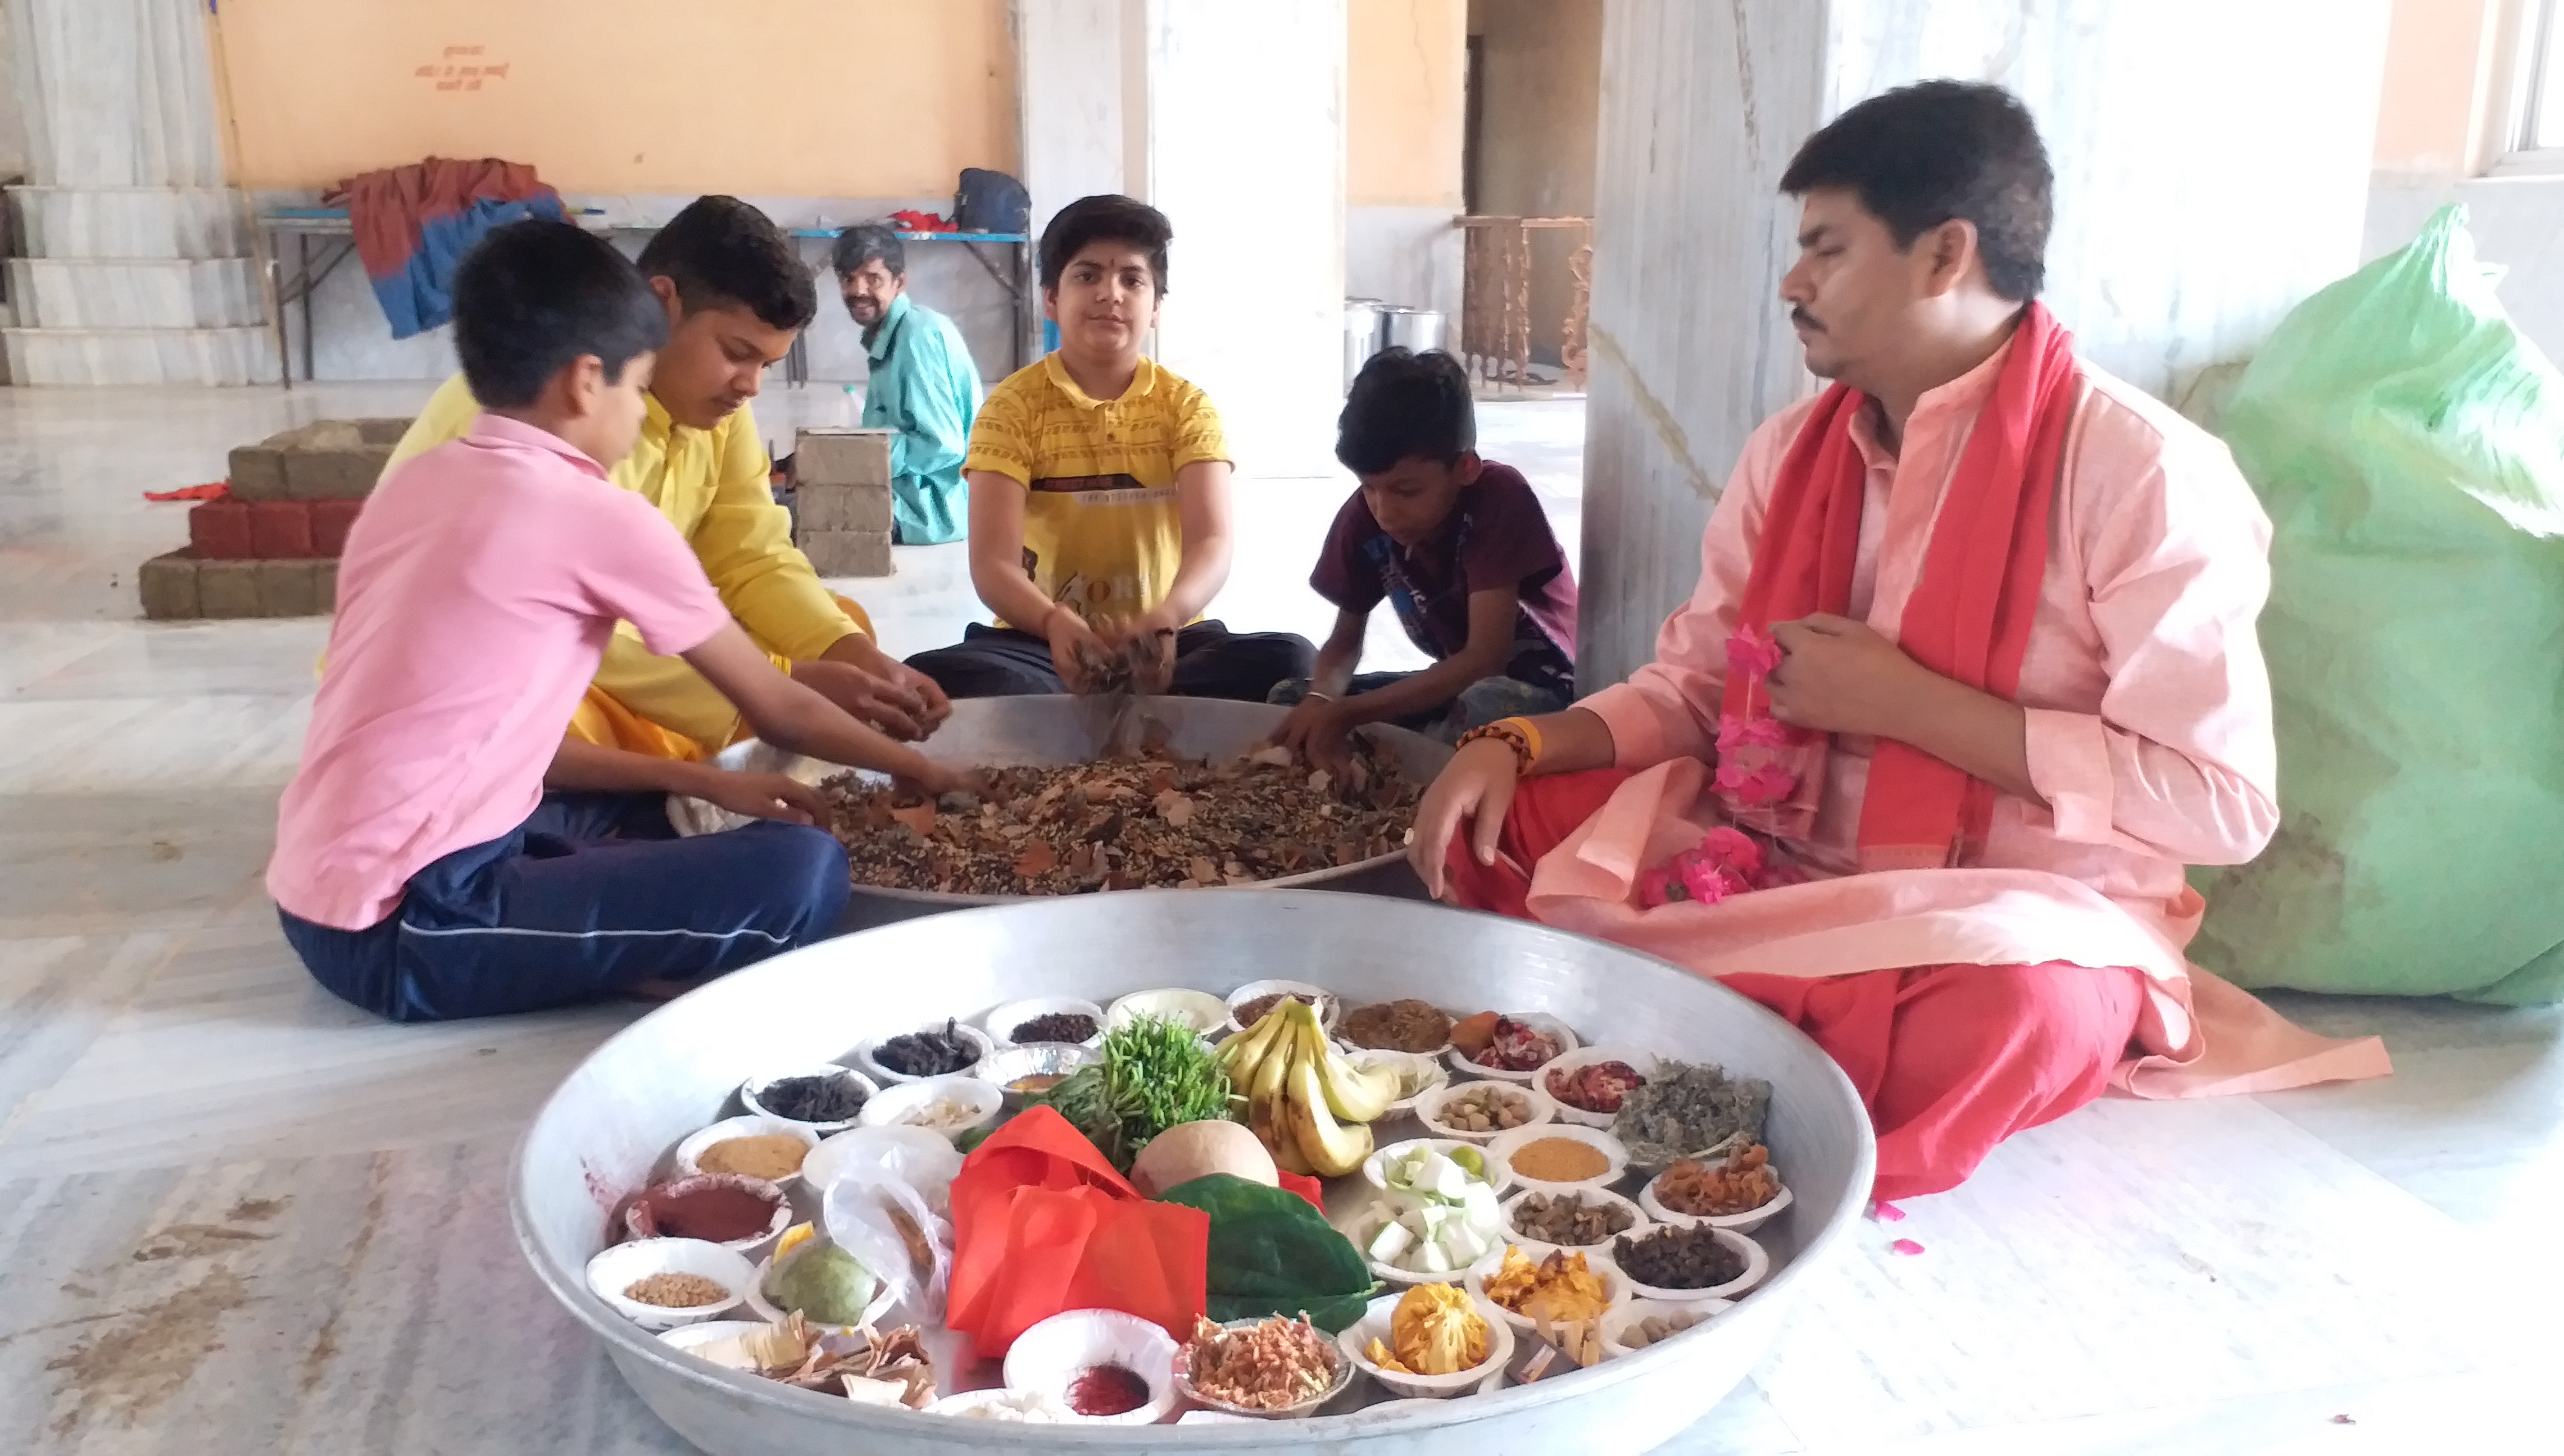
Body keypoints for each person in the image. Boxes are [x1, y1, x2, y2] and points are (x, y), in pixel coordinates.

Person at [1408, 81, 2387, 1202]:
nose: (1793, 283)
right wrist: (1519, 746)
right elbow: (1690, 691)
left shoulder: (2139, 473)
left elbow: (2224, 806)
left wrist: (1918, 708)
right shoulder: (1791, 455)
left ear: (1944, 256)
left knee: (2024, 1016)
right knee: (1493, 826)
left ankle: (1693, 1032)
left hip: (1993, 918)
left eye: (1826, 249)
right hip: (1769, 851)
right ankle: (1759, 1031)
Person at [270, 220, 965, 1024]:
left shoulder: (417, 486)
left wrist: (698, 776)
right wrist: (932, 775)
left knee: (665, 810)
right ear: (585, 381)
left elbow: (520, 743)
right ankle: (598, 961)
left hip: (326, 886)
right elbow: (778, 709)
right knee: (801, 875)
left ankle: (599, 912)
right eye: (635, 389)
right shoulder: (593, 509)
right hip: (411, 922)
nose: (642, 414)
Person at [383, 195, 948, 763]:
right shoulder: (541, 410)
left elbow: (751, 557)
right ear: (662, 303)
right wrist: (778, 685)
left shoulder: (718, 411)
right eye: (736, 353)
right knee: (564, 712)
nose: (750, 386)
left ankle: (712, 752)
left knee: (842, 633)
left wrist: (852, 658)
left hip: (635, 641)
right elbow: (564, 632)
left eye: (767, 367)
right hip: (483, 670)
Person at [902, 194, 1316, 700]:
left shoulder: (1186, 406)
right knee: (940, 676)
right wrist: (1054, 623)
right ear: (1051, 298)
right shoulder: (1012, 407)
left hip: (1170, 640)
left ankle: (1107, 706)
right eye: (1088, 276)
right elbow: (993, 565)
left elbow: (1213, 542)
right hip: (1041, 641)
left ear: (1157, 307)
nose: (1111, 294)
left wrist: (1166, 619)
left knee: (1290, 660)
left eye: (1133, 280)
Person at [1265, 347, 1578, 768]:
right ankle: (1383, 772)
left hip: (1546, 693)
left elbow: (1486, 657)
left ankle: (1405, 781)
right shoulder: (1365, 517)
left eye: (1406, 490)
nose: (1384, 509)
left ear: (1464, 469)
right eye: (1369, 487)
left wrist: (1352, 713)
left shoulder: (1499, 497)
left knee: (1482, 708)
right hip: (1458, 691)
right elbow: (1344, 641)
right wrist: (1322, 699)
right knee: (1291, 701)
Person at [832, 224, 983, 545]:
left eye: (873, 279)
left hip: (932, 509)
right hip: (911, 495)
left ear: (900, 282)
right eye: (849, 279)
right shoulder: (889, 334)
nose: (859, 290)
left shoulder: (918, 336)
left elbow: (943, 446)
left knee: (790, 515)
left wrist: (857, 460)